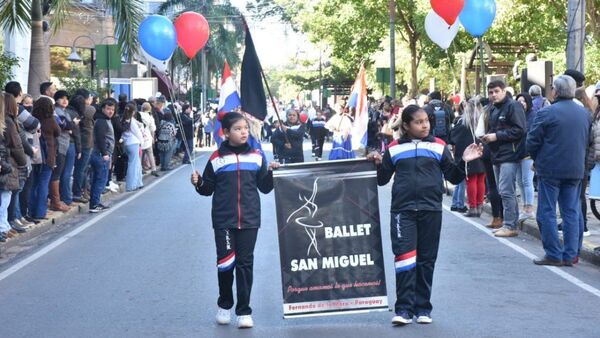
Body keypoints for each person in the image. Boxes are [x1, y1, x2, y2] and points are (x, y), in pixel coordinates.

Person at [367, 105, 482, 325]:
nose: (425, 125)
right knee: (404, 260)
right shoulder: (393, 148)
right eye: (418, 122)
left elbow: (454, 177)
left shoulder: (439, 146)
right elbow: (381, 179)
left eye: (426, 121)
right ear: (407, 126)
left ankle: (423, 309)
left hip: (431, 211)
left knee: (426, 261)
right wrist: (376, 162)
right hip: (403, 212)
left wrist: (464, 160)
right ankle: (403, 309)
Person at [190, 112, 278, 329]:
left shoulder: (257, 156)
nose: (243, 132)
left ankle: (244, 311)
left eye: (245, 128)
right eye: (238, 129)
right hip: (224, 221)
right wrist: (198, 182)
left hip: (249, 220)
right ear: (226, 133)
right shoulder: (216, 158)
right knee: (226, 264)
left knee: (245, 264)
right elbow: (207, 190)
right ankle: (224, 305)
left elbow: (265, 188)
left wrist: (272, 173)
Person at [527, 75, 591, 266]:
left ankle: (554, 253)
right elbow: (589, 141)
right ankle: (571, 254)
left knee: (547, 211)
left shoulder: (547, 113)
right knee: (571, 212)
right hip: (575, 168)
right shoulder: (584, 113)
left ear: (555, 91)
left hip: (551, 168)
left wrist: (536, 159)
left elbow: (532, 141)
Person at [480, 80, 527, 237]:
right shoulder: (493, 108)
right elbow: (494, 129)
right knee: (502, 190)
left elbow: (520, 130)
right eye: (491, 92)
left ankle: (510, 225)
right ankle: (508, 223)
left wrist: (496, 136)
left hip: (509, 155)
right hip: (497, 154)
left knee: (507, 191)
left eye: (496, 91)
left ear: (504, 90)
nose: (493, 95)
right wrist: (487, 138)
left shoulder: (513, 106)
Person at [450, 98, 486, 217]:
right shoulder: (484, 121)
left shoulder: (462, 123)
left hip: (469, 153)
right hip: (482, 151)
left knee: (471, 180)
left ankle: (473, 207)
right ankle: (480, 205)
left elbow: (453, 138)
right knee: (480, 179)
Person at [29, 96, 60, 221]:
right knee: (43, 184)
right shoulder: (50, 120)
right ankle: (40, 212)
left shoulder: (32, 119)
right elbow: (58, 132)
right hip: (48, 156)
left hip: (35, 155)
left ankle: (31, 211)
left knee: (34, 184)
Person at [89, 99, 116, 213]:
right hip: (100, 154)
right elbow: (100, 138)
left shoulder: (104, 120)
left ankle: (96, 202)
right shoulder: (101, 121)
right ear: (103, 109)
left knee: (98, 179)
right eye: (108, 109)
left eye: (112, 109)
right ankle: (94, 204)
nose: (111, 111)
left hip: (101, 153)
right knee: (100, 179)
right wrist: (104, 153)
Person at [515, 93, 536, 222]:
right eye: (519, 101)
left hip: (528, 153)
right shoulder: (516, 115)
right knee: (520, 181)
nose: (521, 103)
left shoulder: (533, 116)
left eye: (523, 101)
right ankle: (525, 207)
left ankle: (529, 209)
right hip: (517, 153)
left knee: (527, 180)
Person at [120, 103, 144, 192]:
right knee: (134, 164)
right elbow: (137, 132)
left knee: (135, 163)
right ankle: (131, 185)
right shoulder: (131, 121)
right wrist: (142, 142)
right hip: (134, 143)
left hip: (127, 143)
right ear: (133, 112)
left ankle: (138, 182)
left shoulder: (123, 119)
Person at [139, 102, 159, 177]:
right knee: (150, 153)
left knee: (140, 154)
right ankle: (153, 169)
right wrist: (153, 138)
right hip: (147, 136)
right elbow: (153, 129)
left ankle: (140, 169)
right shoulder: (150, 117)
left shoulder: (139, 114)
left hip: (140, 135)